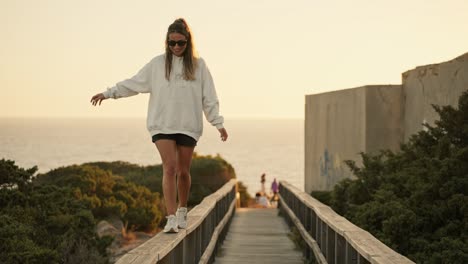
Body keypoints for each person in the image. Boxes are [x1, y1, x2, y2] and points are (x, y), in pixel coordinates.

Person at [90, 18, 228, 233]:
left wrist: (217, 123)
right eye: (171, 43)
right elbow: (134, 83)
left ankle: (183, 209)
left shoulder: (199, 66)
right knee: (169, 167)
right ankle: (171, 217)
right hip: (161, 124)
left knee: (183, 171)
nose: (176, 47)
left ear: (188, 41)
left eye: (180, 43)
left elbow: (209, 97)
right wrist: (109, 93)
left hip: (188, 125)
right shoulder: (157, 64)